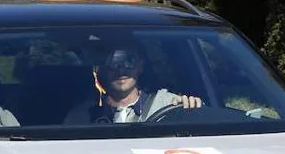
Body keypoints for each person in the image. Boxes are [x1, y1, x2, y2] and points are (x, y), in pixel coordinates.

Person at [63, 45, 203, 125]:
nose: (121, 69)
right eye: (113, 62)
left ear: (140, 66)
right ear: (100, 70)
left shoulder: (168, 103)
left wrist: (193, 107)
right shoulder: (82, 117)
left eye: (128, 61)